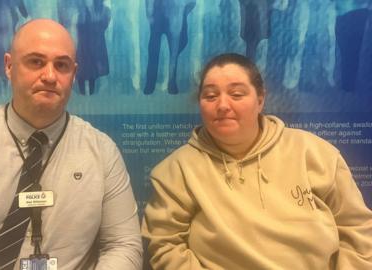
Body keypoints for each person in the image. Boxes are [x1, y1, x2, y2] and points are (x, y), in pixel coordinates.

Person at [0, 19, 142, 270]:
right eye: (36, 62)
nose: (50, 76)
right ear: (9, 66)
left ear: (73, 74)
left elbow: (123, 245)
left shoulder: (102, 151)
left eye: (62, 65)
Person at [141, 53, 372, 269]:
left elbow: (358, 231)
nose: (222, 105)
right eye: (210, 96)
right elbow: (165, 246)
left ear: (260, 100)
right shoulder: (175, 171)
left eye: (237, 94)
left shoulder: (315, 153)